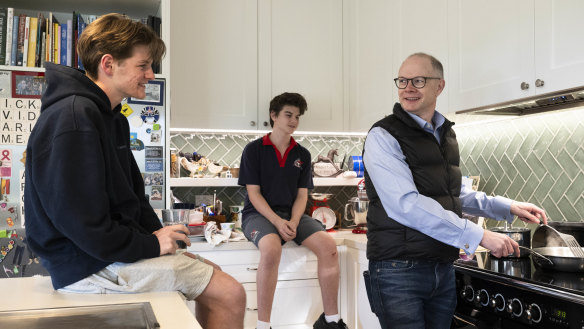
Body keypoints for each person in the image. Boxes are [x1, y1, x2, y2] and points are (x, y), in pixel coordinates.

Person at [24, 13, 245, 329]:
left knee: (213, 275)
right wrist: (154, 245)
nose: (151, 75)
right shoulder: (75, 117)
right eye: (143, 66)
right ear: (109, 64)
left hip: (101, 255)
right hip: (85, 264)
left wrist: (164, 243)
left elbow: (135, 202)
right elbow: (84, 226)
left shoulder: (112, 118)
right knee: (231, 294)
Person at [362, 52, 548, 329]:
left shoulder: (444, 134)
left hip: (442, 267)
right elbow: (406, 204)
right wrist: (479, 235)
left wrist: (506, 206)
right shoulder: (383, 136)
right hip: (398, 271)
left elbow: (451, 193)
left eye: (418, 80)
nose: (408, 88)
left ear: (440, 85)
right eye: (402, 81)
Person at [238, 92, 348, 329]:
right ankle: (262, 325)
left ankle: (331, 321)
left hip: (293, 215)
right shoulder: (253, 150)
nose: (293, 121)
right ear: (273, 115)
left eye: (297, 117)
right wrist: (278, 222)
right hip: (258, 215)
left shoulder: (302, 154)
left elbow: (302, 195)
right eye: (288, 115)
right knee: (271, 249)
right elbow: (254, 195)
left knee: (329, 248)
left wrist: (295, 220)